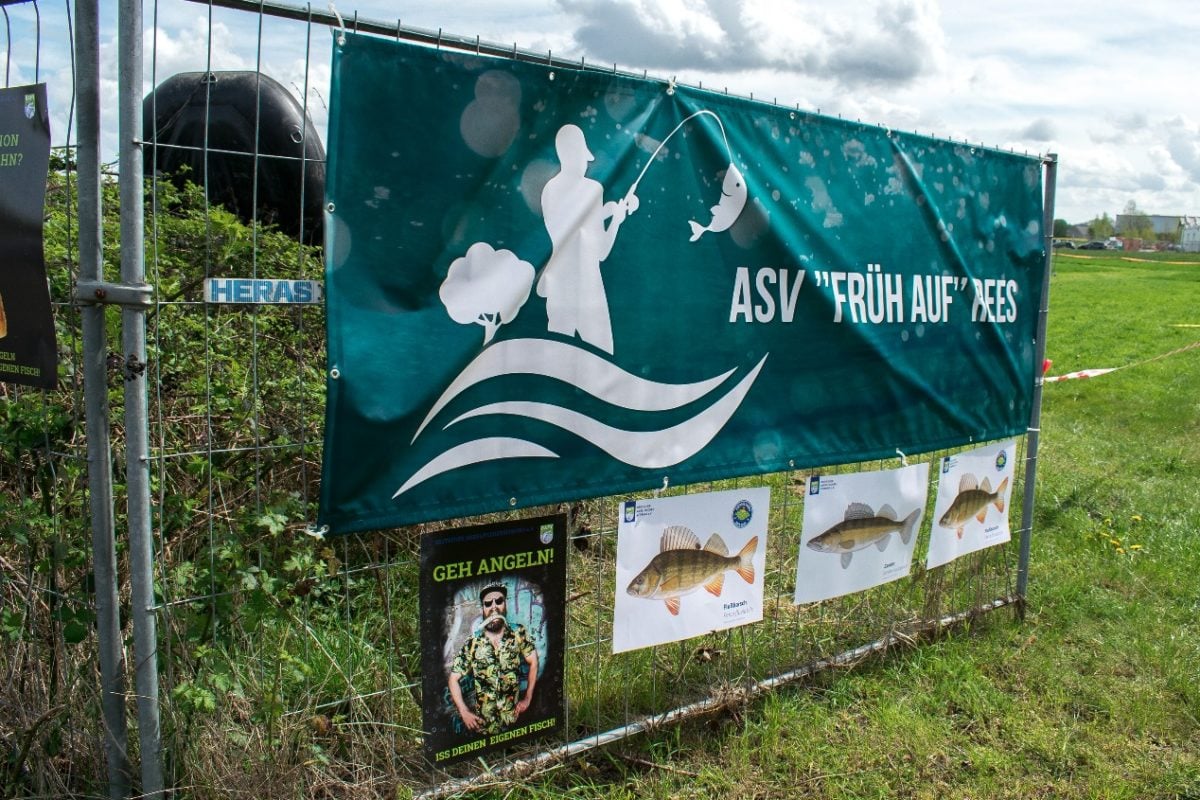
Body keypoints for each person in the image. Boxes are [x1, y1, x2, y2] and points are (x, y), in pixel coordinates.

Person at [536, 124, 636, 355]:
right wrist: (617, 221)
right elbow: (600, 250)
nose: (588, 162)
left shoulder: (550, 189)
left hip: (558, 285)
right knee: (601, 358)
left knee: (556, 361)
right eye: (584, 155)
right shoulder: (592, 189)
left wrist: (609, 211)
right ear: (572, 154)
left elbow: (572, 223)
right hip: (586, 288)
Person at [447, 583, 538, 735]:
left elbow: (533, 661)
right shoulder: (473, 642)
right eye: (488, 603)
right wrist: (464, 711)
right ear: (483, 608)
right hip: (483, 728)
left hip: (512, 723)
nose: (494, 607)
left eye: (498, 601)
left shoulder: (518, 633)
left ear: (505, 603)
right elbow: (453, 679)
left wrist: (527, 698)